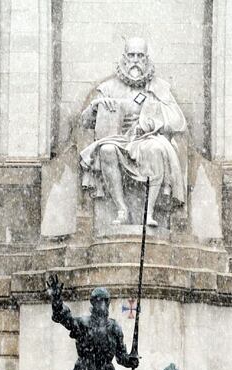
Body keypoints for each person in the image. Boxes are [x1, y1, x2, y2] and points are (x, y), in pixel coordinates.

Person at [80, 37, 187, 227]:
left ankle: (149, 212)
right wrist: (96, 107)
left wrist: (151, 123)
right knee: (106, 150)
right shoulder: (108, 88)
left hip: (145, 138)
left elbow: (178, 122)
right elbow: (85, 122)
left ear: (146, 59)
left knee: (155, 149)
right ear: (124, 58)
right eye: (131, 55)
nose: (135, 60)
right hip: (118, 139)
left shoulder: (158, 87)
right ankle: (122, 209)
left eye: (140, 55)